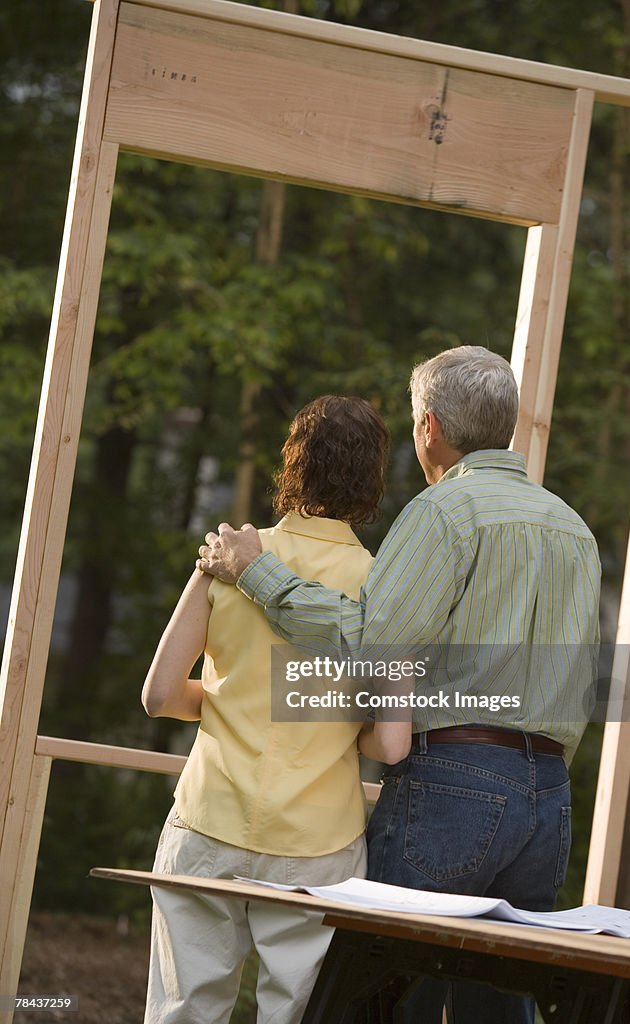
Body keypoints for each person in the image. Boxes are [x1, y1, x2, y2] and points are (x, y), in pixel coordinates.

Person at [196, 346, 602, 1024]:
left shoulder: (444, 511)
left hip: (455, 782)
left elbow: (370, 646)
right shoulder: (573, 529)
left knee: (374, 992)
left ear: (429, 428)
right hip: (548, 798)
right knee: (494, 1009)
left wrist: (257, 572)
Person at [142, 395, 410, 1024]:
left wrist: (226, 703)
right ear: (372, 480)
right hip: (319, 842)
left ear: (293, 464)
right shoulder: (382, 587)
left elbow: (158, 694)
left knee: (183, 1010)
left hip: (208, 819)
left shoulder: (230, 556)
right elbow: (390, 747)